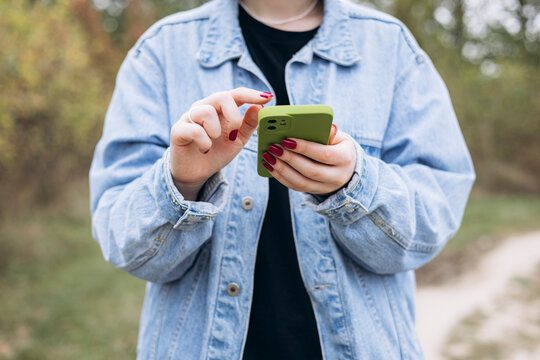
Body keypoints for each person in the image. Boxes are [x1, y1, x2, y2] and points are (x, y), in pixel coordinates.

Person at [89, 0, 475, 358]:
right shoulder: (162, 49)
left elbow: (431, 224)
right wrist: (180, 183)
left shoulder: (389, 46)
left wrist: (356, 183)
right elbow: (124, 245)